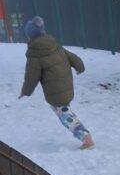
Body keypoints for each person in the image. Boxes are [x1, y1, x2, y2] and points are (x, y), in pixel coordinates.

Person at [18, 16, 95, 149]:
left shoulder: (35, 54)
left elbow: (31, 77)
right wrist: (80, 68)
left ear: (30, 36)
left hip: (56, 92)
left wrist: (25, 91)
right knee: (65, 113)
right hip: (66, 85)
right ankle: (85, 137)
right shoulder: (55, 45)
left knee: (65, 116)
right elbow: (74, 58)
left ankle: (86, 139)